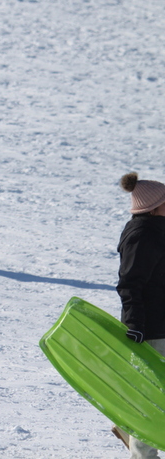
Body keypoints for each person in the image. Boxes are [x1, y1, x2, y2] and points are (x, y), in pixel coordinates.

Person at [114, 172, 165, 458]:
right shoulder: (143, 234)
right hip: (152, 330)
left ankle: (128, 430)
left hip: (161, 325)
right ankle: (142, 454)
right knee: (153, 399)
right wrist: (134, 323)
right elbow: (130, 282)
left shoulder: (156, 231)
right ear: (156, 206)